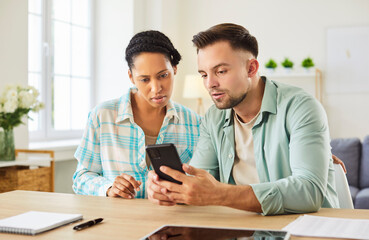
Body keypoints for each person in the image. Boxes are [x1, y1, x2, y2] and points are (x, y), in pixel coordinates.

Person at [147, 23, 340, 215]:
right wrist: (168, 189)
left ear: (251, 68)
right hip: (241, 228)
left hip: (305, 229)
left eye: (221, 71)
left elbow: (309, 191)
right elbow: (198, 182)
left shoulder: (301, 108)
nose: (210, 84)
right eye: (204, 74)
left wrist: (220, 195)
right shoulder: (214, 117)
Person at [73, 30, 201, 199]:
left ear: (174, 69)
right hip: (119, 222)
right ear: (131, 77)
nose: (156, 88)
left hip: (172, 219)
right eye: (145, 79)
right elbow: (81, 179)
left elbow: (202, 180)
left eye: (163, 75)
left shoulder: (195, 123)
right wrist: (109, 188)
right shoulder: (102, 117)